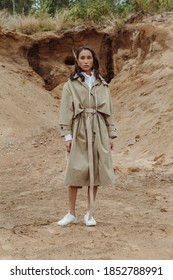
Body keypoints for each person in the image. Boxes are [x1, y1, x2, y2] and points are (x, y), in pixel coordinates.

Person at [57, 46, 117, 226]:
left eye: (88, 57)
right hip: (79, 128)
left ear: (93, 60)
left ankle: (90, 213)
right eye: (82, 57)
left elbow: (109, 111)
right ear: (77, 60)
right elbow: (66, 110)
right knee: (75, 169)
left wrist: (111, 134)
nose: (85, 61)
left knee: (95, 171)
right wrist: (67, 136)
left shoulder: (102, 83)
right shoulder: (71, 84)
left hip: (99, 129)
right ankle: (71, 213)